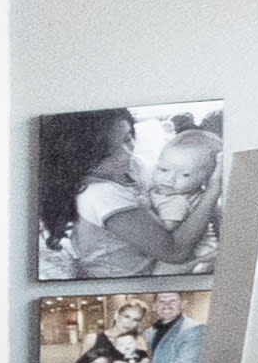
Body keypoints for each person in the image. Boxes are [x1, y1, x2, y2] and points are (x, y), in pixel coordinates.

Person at [61, 114, 222, 277]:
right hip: (133, 278)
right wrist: (213, 190)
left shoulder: (134, 166)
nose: (126, 154)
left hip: (156, 263)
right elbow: (175, 252)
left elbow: (189, 186)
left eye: (127, 138)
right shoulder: (98, 194)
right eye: (107, 152)